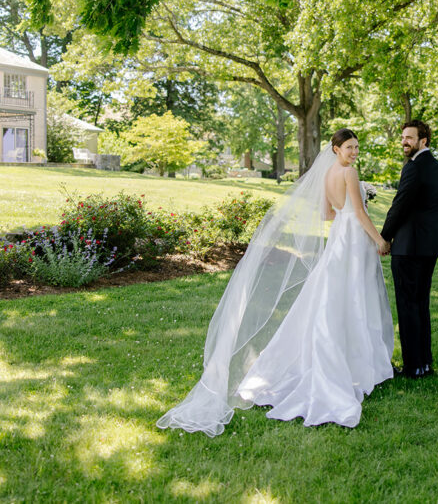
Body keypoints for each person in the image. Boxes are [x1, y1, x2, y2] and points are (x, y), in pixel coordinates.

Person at [157, 129, 394, 435]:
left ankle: (340, 357)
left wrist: (344, 219)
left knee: (335, 295)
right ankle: (357, 363)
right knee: (354, 297)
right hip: (353, 240)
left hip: (339, 237)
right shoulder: (349, 172)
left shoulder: (327, 175)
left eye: (356, 147)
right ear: (336, 149)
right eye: (349, 147)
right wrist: (380, 240)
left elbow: (326, 214)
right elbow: (359, 213)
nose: (354, 152)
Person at [380, 120, 438, 379]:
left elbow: (399, 206)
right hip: (430, 246)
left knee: (408, 305)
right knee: (420, 304)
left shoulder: (414, 167)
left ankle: (412, 367)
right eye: (403, 137)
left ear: (424, 140)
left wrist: (384, 237)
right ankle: (424, 363)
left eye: (409, 138)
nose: (404, 142)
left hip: (409, 248)